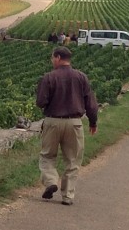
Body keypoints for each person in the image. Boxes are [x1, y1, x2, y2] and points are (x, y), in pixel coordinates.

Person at [35, 46, 99, 206]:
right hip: (74, 123)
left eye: (52, 58)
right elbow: (90, 103)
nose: (51, 61)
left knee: (47, 156)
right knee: (73, 160)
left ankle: (51, 182)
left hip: (52, 121)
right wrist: (93, 121)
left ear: (57, 57)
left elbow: (40, 102)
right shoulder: (81, 77)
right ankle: (68, 196)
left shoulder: (48, 77)